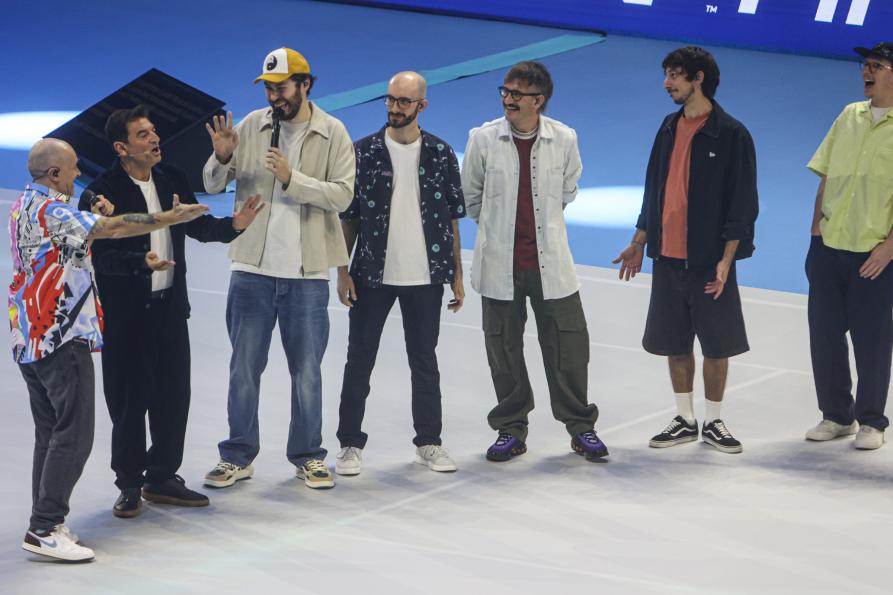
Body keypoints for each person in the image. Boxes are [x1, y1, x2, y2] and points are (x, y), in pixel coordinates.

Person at [10, 138, 208, 561]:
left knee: (51, 434)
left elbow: (80, 228)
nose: (79, 173)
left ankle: (44, 521)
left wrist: (92, 208)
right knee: (74, 436)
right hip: (61, 336)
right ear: (54, 174)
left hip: (30, 336)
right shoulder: (54, 212)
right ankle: (45, 526)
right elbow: (114, 229)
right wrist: (168, 217)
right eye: (73, 168)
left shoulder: (26, 204)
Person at [80, 106, 262, 518]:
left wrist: (233, 225)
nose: (155, 139)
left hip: (170, 310)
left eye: (154, 131)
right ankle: (129, 483)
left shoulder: (172, 178)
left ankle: (161, 476)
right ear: (121, 147)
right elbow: (101, 257)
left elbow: (195, 225)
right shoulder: (102, 193)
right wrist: (139, 263)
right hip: (128, 317)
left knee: (173, 398)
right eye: (143, 135)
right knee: (129, 404)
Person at [202, 47, 355, 489]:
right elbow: (212, 184)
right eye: (268, 88)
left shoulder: (332, 132)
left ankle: (308, 456)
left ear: (305, 84)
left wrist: (292, 178)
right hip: (251, 269)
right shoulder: (252, 125)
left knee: (306, 373)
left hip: (306, 275)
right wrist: (222, 158)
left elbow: (343, 195)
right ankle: (237, 455)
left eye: (282, 87)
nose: (274, 96)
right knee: (243, 369)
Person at [613, 46, 758, 454]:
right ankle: (685, 418)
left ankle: (714, 420)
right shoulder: (667, 127)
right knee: (675, 342)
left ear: (698, 78)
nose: (666, 83)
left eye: (675, 75)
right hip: (667, 257)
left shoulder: (732, 134)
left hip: (709, 261)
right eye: (666, 75)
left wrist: (727, 260)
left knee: (717, 344)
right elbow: (653, 189)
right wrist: (639, 241)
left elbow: (742, 204)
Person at [462, 61, 607, 462]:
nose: (508, 99)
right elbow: (471, 197)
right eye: (505, 92)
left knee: (569, 348)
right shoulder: (483, 139)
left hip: (552, 266)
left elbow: (568, 188)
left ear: (538, 100)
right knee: (503, 350)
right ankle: (511, 429)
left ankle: (580, 426)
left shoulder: (564, 138)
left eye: (516, 94)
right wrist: (498, 229)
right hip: (499, 266)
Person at [335, 71, 465, 476]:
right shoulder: (362, 152)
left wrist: (457, 275)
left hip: (426, 277)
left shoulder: (441, 153)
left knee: (425, 361)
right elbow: (348, 218)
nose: (394, 107)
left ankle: (429, 442)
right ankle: (349, 444)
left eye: (403, 101)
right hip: (371, 275)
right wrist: (342, 271)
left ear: (421, 106)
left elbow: (451, 219)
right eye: (390, 99)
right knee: (359, 360)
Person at [804, 42, 893, 450]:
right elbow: (826, 174)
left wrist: (889, 247)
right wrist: (815, 234)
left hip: (874, 253)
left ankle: (872, 421)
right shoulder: (848, 115)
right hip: (829, 245)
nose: (865, 72)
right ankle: (837, 415)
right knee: (824, 335)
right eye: (865, 65)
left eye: (876, 66)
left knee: (872, 339)